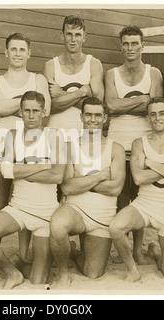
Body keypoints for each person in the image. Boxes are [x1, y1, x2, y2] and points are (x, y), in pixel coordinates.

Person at [0, 91, 66, 289]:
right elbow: (6, 170)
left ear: (44, 112)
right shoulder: (12, 136)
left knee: (39, 280)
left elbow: (57, 176)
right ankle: (11, 272)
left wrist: (19, 169)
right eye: (26, 111)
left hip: (46, 214)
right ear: (20, 112)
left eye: (35, 111)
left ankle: (21, 262)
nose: (31, 115)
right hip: (18, 208)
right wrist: (43, 165)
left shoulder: (54, 136)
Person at [109, 98, 164, 281]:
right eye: (153, 114)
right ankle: (133, 270)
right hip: (144, 205)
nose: (157, 118)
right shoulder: (139, 143)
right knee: (115, 227)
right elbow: (139, 178)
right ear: (148, 118)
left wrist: (150, 162)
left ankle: (154, 251)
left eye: (162, 113)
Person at [49, 97, 126, 288]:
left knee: (93, 273)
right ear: (81, 117)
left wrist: (80, 178)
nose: (93, 119)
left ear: (105, 118)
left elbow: (115, 188)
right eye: (88, 114)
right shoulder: (69, 146)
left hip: (102, 216)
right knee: (57, 225)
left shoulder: (115, 148)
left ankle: (74, 252)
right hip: (76, 209)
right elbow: (67, 187)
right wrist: (100, 176)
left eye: (98, 115)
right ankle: (64, 272)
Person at [104, 25, 164, 265]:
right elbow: (110, 106)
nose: (130, 48)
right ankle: (124, 248)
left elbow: (154, 107)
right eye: (126, 44)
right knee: (120, 197)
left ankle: (138, 249)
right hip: (118, 144)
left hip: (144, 146)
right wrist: (142, 99)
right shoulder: (112, 74)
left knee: (141, 199)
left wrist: (123, 104)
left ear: (142, 46)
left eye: (134, 44)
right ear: (121, 46)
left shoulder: (154, 73)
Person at [0, 33, 51, 262]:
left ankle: (23, 252)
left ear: (29, 53)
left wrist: (14, 104)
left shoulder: (38, 79)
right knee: (0, 198)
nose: (17, 54)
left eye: (21, 50)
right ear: (6, 53)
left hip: (32, 142)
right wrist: (25, 102)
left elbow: (46, 108)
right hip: (3, 142)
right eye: (13, 49)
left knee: (26, 197)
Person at [42, 14, 104, 134]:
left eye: (78, 35)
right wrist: (82, 92)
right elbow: (49, 107)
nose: (73, 40)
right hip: (56, 133)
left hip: (87, 134)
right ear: (62, 36)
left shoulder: (93, 64)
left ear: (84, 37)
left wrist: (61, 93)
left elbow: (97, 107)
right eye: (69, 34)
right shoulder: (50, 66)